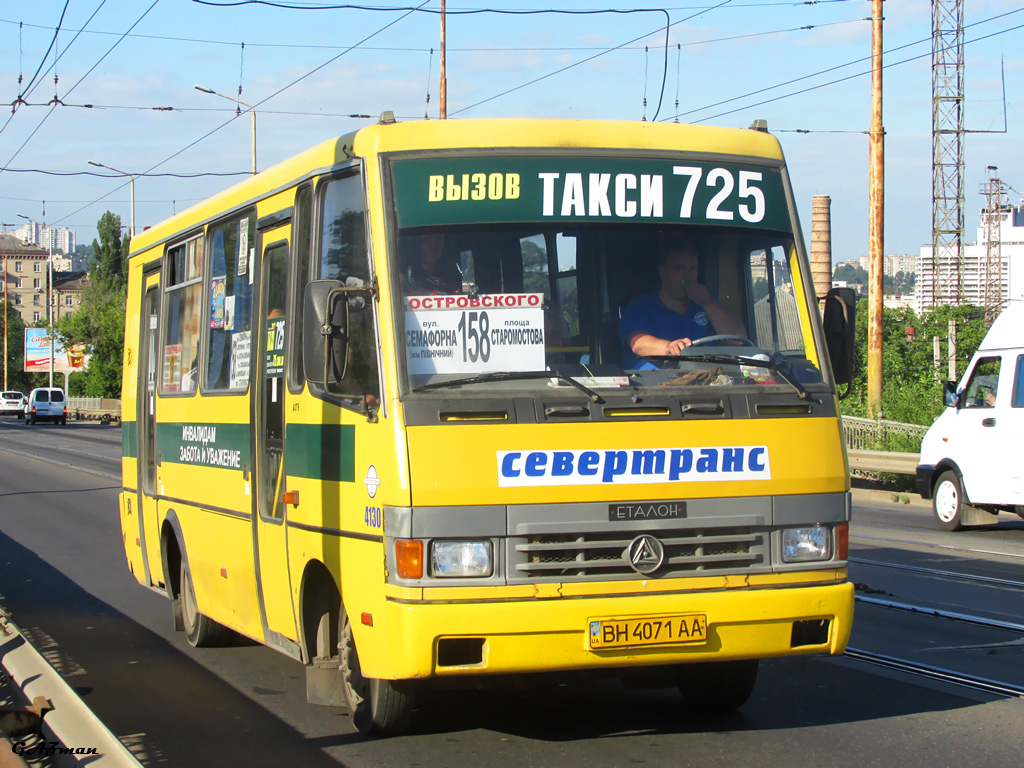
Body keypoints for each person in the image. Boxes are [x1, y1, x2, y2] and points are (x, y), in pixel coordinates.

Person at [619, 238, 745, 369]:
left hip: (707, 381)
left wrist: (708, 303)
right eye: (679, 269)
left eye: (692, 269)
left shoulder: (708, 305)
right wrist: (669, 348)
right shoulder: (640, 307)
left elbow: (738, 340)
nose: (687, 276)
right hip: (652, 385)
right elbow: (638, 343)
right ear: (662, 272)